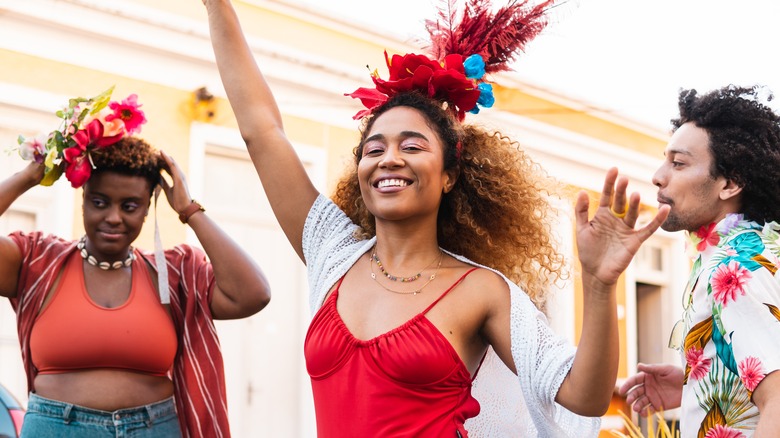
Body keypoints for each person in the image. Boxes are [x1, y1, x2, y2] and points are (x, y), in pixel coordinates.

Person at [201, 0, 668, 436]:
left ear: (448, 176)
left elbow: (583, 397)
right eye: (374, 148)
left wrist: (601, 285)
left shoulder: (480, 290)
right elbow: (261, 131)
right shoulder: (333, 254)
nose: (388, 159)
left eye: (412, 146)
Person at [0, 88, 271, 437]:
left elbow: (253, 293)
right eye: (99, 202)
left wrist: (189, 210)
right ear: (83, 200)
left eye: (129, 206)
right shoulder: (37, 261)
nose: (113, 217)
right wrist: (28, 177)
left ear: (147, 208)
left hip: (154, 429)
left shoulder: (174, 273)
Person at [619, 85, 780, 437]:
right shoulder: (760, 248)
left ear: (730, 183)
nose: (659, 175)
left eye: (678, 163)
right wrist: (703, 381)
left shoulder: (734, 270)